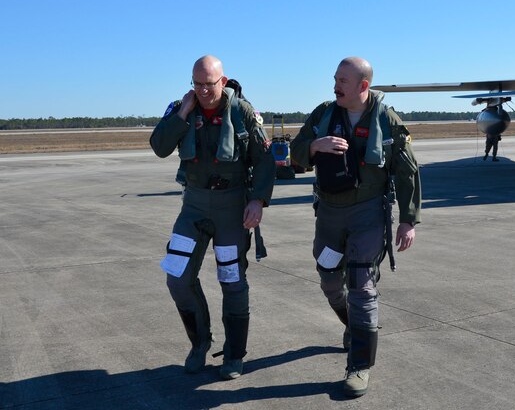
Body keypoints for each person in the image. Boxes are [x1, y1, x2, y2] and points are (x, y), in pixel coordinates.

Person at [290, 57, 421, 398]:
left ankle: (359, 365)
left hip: (367, 214)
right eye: (335, 78)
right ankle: (354, 327)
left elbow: (408, 171)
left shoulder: (386, 120)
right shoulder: (323, 114)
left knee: (361, 284)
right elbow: (295, 153)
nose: (336, 85)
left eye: (343, 80)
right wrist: (314, 147)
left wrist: (407, 220)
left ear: (363, 86)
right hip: (330, 214)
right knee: (330, 279)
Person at [150, 55, 275, 380]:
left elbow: (264, 161)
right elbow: (159, 147)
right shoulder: (183, 108)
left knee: (232, 280)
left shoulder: (242, 112)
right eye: (198, 84)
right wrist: (182, 112)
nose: (204, 90)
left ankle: (234, 356)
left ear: (223, 81)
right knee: (177, 278)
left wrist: (258, 200)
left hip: (231, 206)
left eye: (210, 84)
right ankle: (200, 343)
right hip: (193, 205)